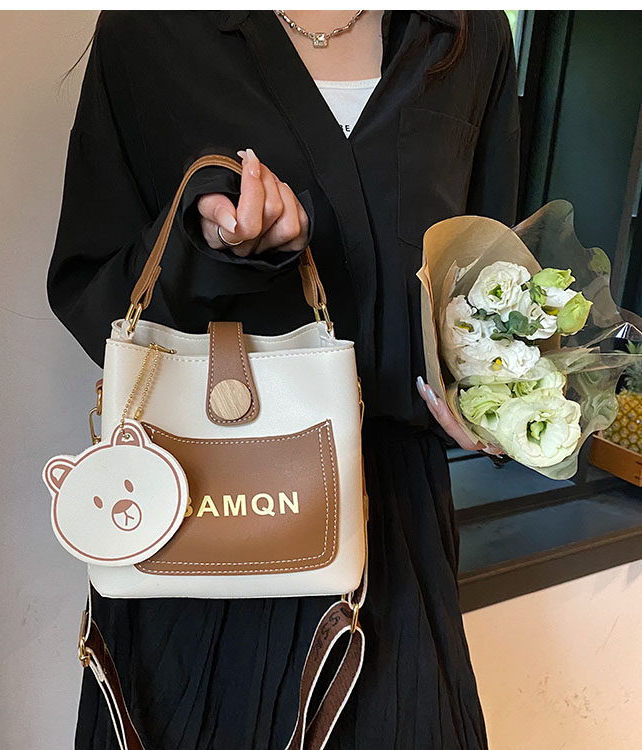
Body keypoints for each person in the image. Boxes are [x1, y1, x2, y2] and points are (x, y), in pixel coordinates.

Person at [47, 10, 519, 749]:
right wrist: (210, 247)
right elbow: (94, 290)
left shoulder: (466, 32)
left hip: (395, 526)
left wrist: (494, 391)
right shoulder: (150, 30)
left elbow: (491, 275)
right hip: (201, 511)